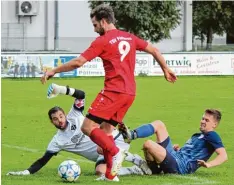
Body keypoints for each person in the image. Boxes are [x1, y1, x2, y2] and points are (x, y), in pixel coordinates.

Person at [40, 4, 177, 181]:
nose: (95, 29)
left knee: (87, 127)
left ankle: (115, 152)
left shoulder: (102, 41)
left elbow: (78, 62)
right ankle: (111, 175)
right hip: (129, 93)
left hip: (113, 92)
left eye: (95, 25)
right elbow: (154, 50)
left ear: (104, 22)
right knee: (105, 133)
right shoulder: (129, 37)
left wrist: (54, 71)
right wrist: (165, 69)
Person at [6, 83, 152, 180]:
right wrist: (24, 172)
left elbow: (81, 94)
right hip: (101, 155)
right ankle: (134, 169)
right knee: (100, 172)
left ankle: (133, 157)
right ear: (52, 122)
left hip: (111, 139)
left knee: (102, 143)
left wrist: (62, 89)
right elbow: (42, 161)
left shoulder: (75, 114)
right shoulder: (57, 141)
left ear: (65, 114)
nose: (60, 120)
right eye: (55, 119)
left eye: (61, 116)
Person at [119, 109, 228, 175]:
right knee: (159, 124)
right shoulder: (197, 135)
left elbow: (223, 155)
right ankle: (131, 135)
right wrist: (179, 149)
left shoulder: (212, 135)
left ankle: (150, 169)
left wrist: (209, 164)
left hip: (180, 166)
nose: (202, 121)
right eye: (203, 118)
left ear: (214, 125)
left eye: (207, 120)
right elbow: (190, 152)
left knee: (148, 144)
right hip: (176, 156)